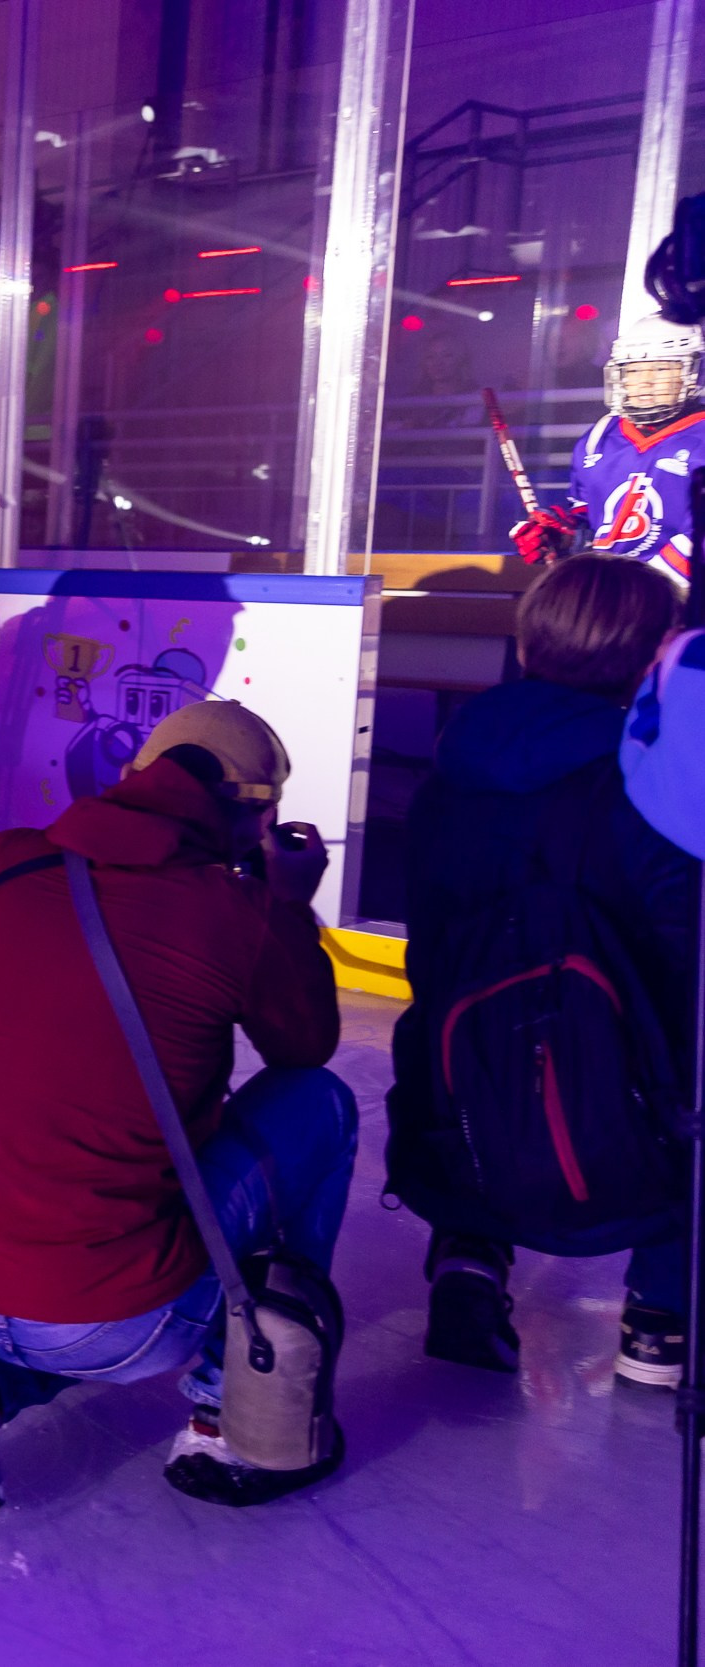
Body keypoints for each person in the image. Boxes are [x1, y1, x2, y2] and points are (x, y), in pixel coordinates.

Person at [0, 700, 354, 1504]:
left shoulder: (4, 859)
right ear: (256, 815)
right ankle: (231, 1409)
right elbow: (303, 1048)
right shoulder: (230, 913)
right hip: (111, 1320)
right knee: (321, 1105)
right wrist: (285, 906)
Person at [388, 555, 697, 1384]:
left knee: (448, 1017)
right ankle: (660, 1317)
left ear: (530, 646)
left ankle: (468, 1260)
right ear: (649, 659)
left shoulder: (450, 769)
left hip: (464, 1090)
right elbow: (683, 944)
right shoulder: (648, 782)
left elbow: (431, 934)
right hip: (614, 1105)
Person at [514, 311, 705, 578]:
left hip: (682, 599)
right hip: (614, 594)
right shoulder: (599, 438)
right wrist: (559, 532)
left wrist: (656, 582)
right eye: (634, 370)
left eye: (661, 367)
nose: (645, 381)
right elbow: (589, 516)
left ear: (691, 372)